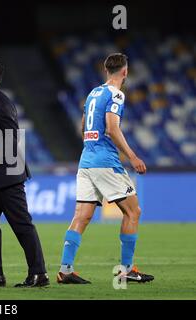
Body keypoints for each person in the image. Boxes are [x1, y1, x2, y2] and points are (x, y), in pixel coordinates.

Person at [56, 53, 154, 284]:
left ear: (105, 69)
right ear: (125, 72)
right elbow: (111, 128)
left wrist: (91, 146)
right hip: (106, 162)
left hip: (86, 160)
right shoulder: (116, 94)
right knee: (133, 211)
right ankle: (127, 269)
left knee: (82, 216)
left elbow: (82, 124)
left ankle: (65, 270)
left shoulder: (94, 92)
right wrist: (132, 156)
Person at [0, 61, 49, 287]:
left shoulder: (2, 104)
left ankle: (39, 274)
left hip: (7, 177)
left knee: (22, 225)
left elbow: (12, 138)